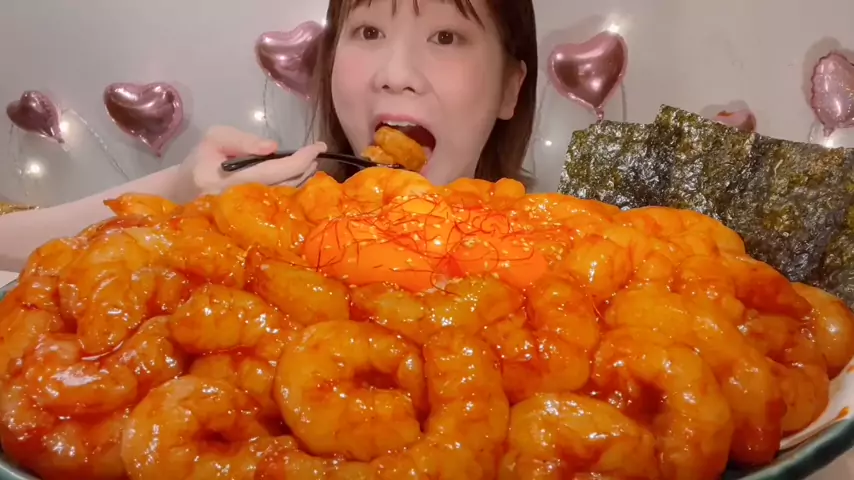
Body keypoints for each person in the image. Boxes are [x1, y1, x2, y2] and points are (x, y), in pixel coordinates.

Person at [0, 0, 538, 272]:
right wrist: (179, 196)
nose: (396, 74)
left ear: (510, 88)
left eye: (446, 37)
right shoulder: (275, 226)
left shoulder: (554, 255)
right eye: (369, 31)